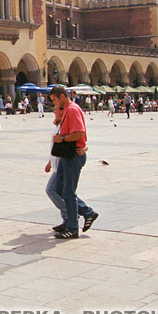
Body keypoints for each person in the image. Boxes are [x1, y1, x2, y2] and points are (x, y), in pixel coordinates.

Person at [49, 85, 97, 239]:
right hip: (67, 155)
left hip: (73, 156)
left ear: (62, 96)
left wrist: (62, 138)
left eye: (55, 100)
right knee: (58, 189)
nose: (54, 103)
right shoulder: (67, 111)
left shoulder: (73, 109)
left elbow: (80, 133)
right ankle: (87, 213)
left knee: (68, 192)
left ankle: (72, 228)